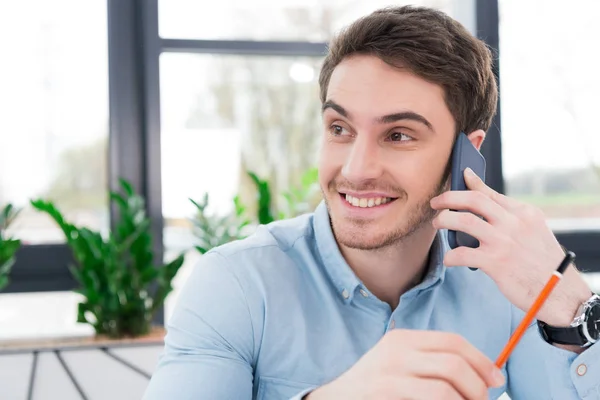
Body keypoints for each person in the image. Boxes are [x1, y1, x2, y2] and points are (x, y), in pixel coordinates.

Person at [144, 6, 600, 400]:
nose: (357, 169)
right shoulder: (237, 284)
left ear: (467, 155)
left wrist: (572, 303)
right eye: (339, 129)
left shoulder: (505, 287)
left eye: (398, 135)